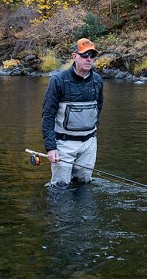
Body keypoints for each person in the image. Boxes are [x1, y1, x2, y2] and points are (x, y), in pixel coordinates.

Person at [41, 38, 104, 189]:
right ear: (74, 56)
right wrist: (51, 148)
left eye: (92, 55)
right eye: (85, 55)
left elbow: (98, 108)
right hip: (63, 145)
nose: (89, 59)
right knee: (60, 187)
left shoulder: (98, 80)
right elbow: (48, 116)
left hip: (89, 144)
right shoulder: (58, 80)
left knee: (83, 185)